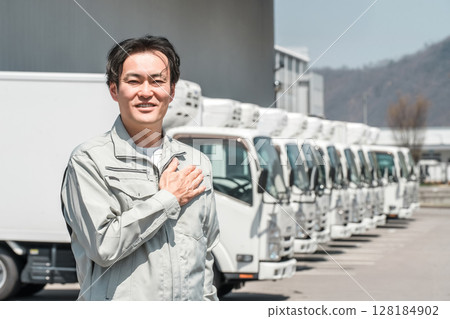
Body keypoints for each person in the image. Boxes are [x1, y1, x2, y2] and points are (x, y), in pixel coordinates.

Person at [61, 35, 220, 301]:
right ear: (114, 90)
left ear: (172, 90)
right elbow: (103, 247)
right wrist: (167, 199)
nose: (146, 92)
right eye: (133, 81)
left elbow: (205, 255)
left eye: (157, 81)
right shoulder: (89, 160)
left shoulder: (196, 164)